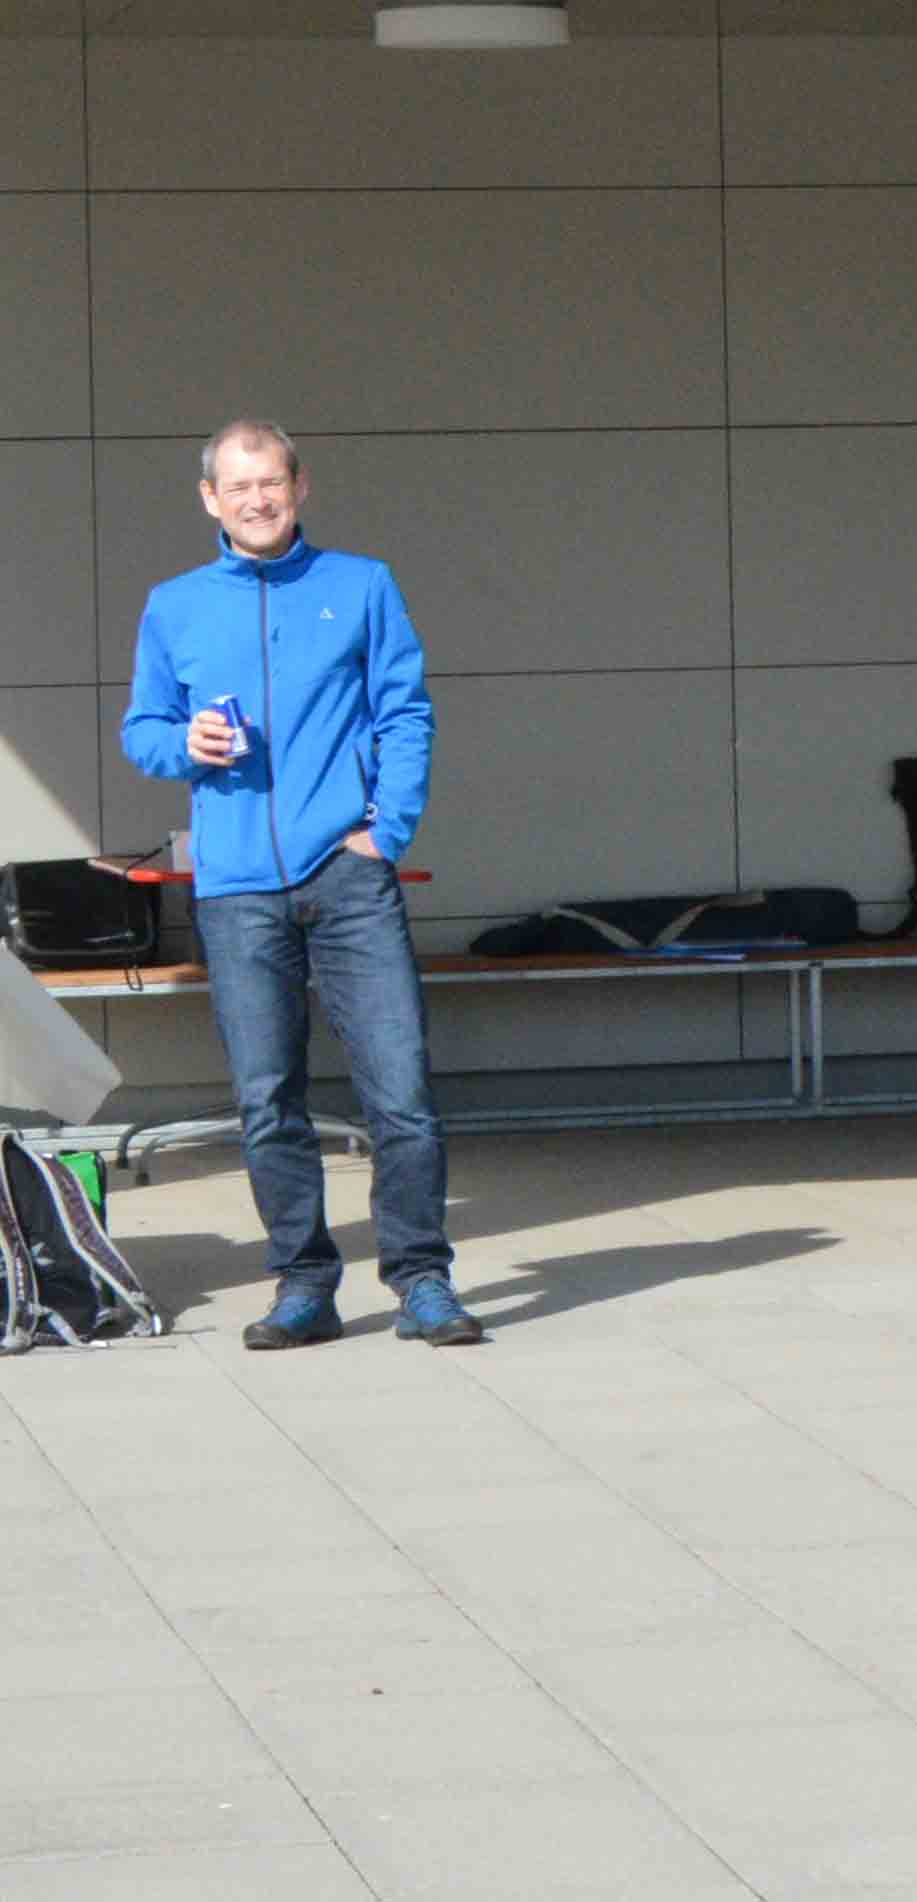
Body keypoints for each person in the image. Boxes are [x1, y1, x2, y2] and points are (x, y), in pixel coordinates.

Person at [120, 420, 470, 1349]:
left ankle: (422, 1280)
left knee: (400, 1090)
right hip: (236, 889)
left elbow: (406, 711)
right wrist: (180, 744)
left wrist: (384, 834)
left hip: (348, 881)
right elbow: (142, 728)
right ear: (210, 499)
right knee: (267, 1098)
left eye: (270, 482)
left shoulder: (361, 585)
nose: (257, 500)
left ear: (300, 486)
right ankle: (304, 1284)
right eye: (238, 487)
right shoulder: (175, 605)